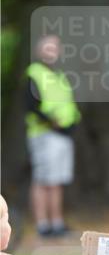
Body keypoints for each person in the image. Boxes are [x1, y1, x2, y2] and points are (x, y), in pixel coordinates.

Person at [25, 35, 81, 237]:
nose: (52, 52)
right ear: (39, 51)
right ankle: (43, 225)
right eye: (48, 48)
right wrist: (50, 121)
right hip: (45, 134)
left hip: (63, 135)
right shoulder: (34, 73)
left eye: (55, 48)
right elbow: (30, 105)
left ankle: (57, 223)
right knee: (42, 180)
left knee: (57, 180)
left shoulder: (60, 75)